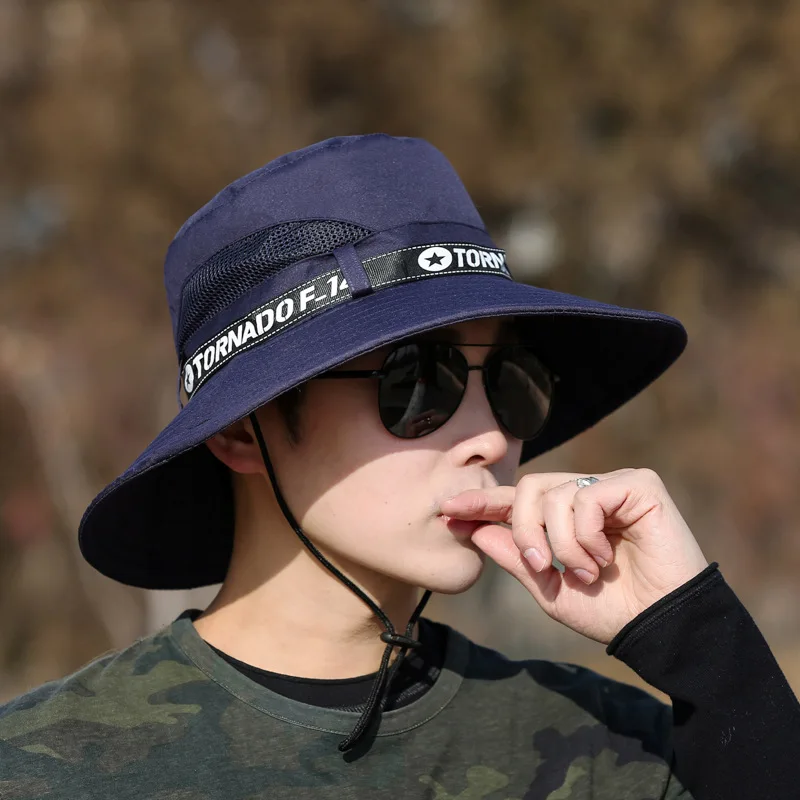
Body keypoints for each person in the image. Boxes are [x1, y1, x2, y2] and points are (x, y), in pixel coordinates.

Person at [0, 134, 797, 799]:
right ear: (244, 432)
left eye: (513, 383)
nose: (491, 440)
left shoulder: (607, 754)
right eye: (417, 380)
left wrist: (700, 641)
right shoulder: (46, 771)